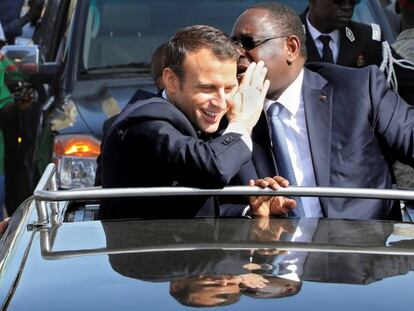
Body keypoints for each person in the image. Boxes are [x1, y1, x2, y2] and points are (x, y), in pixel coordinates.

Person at [231, 2, 414, 220]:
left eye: (247, 42)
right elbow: (209, 204)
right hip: (274, 250)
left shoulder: (359, 90)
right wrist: (251, 212)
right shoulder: (226, 113)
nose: (236, 52)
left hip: (361, 248)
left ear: (291, 48)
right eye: (231, 43)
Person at [99, 25, 295, 220]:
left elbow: (196, 208)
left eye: (229, 89)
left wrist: (251, 210)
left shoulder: (199, 118)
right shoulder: (144, 122)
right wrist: (242, 123)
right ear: (171, 80)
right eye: (207, 88)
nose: (221, 103)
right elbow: (213, 168)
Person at [301, 0, 414, 105]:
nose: (347, 7)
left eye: (353, 1)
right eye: (338, 1)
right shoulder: (288, 37)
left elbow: (406, 81)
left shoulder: (367, 39)